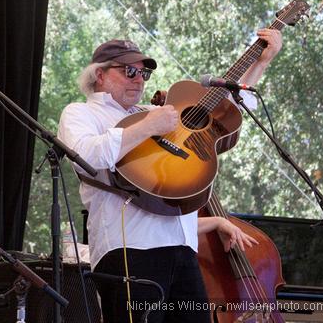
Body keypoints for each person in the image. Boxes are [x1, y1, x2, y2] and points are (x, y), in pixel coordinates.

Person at [57, 33, 282, 323]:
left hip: (183, 249)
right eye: (129, 71)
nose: (139, 79)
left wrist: (261, 63)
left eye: (144, 73)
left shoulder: (156, 112)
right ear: (99, 74)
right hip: (129, 249)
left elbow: (224, 114)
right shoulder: (82, 113)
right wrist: (147, 126)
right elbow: (86, 156)